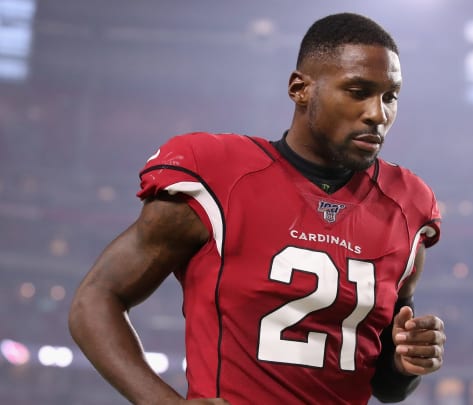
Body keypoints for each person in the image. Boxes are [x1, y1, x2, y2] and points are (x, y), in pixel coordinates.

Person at [68, 12, 445, 404]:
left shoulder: (406, 204)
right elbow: (95, 300)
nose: (377, 114)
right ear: (300, 88)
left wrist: (407, 361)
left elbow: (385, 383)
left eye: (390, 96)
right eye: (357, 91)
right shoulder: (219, 175)